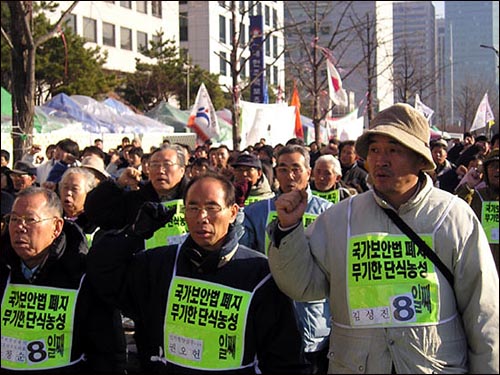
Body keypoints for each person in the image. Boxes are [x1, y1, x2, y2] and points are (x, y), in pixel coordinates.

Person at [267, 103, 499, 373]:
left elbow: (482, 312)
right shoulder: (340, 218)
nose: (381, 160)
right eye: (374, 150)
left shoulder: (454, 216)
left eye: (393, 149)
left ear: (419, 158)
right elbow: (303, 286)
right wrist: (288, 229)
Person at [87, 172, 309, 374]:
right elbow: (103, 275)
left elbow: (285, 358)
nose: (201, 217)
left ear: (232, 213)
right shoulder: (159, 265)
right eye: (192, 208)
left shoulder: (259, 273)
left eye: (212, 207)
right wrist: (133, 234)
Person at [0, 187, 126, 373]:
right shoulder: (4, 268)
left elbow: (107, 353)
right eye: (14, 219)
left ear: (56, 227)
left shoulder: (84, 277)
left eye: (30, 220)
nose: (20, 227)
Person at [240, 144, 333, 374]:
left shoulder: (329, 213)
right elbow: (245, 261)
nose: (289, 176)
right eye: (282, 169)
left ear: (308, 172)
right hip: (269, 316)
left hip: (315, 322)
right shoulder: (256, 213)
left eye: (296, 168)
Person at [84, 144, 190, 250]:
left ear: (182, 170)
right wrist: (118, 184)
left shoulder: (195, 199)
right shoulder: (137, 200)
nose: (160, 170)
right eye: (154, 165)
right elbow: (95, 212)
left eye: (167, 165)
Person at [455, 148, 499, 273]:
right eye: (493, 166)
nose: (497, 170)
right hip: (482, 263)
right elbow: (454, 211)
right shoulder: (476, 196)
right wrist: (469, 185)